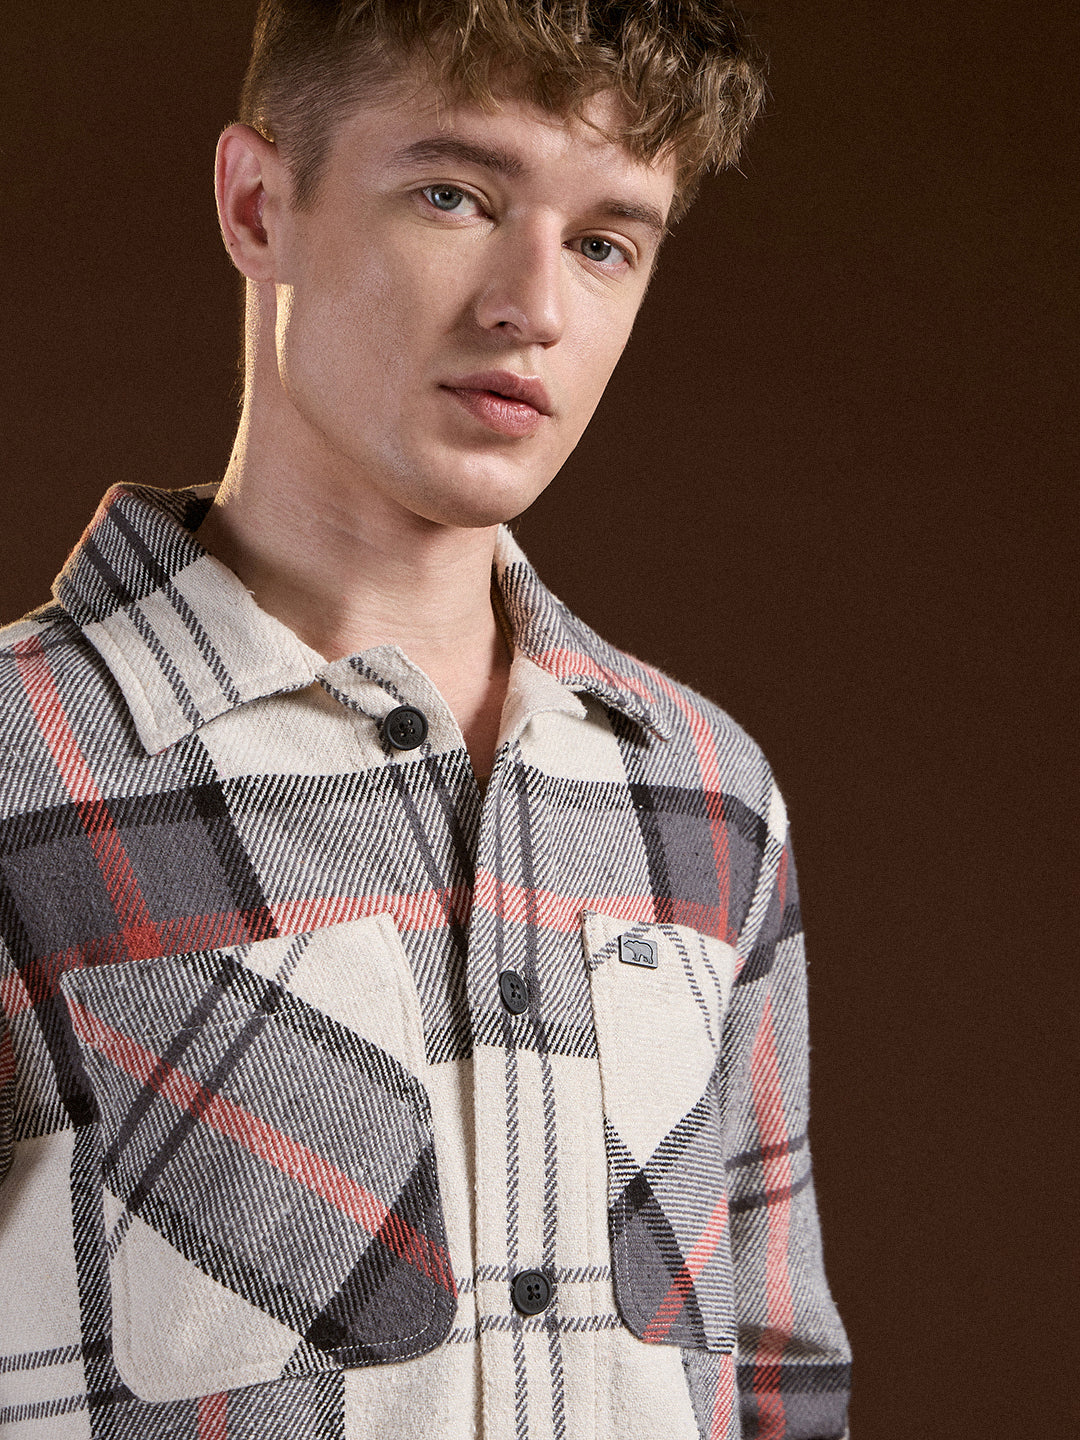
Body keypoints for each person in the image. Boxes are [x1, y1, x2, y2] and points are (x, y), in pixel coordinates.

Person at [0, 2, 851, 1436]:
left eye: (605, 242)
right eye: (455, 196)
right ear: (258, 205)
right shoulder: (23, 765)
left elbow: (778, 1383)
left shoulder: (707, 793)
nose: (535, 306)